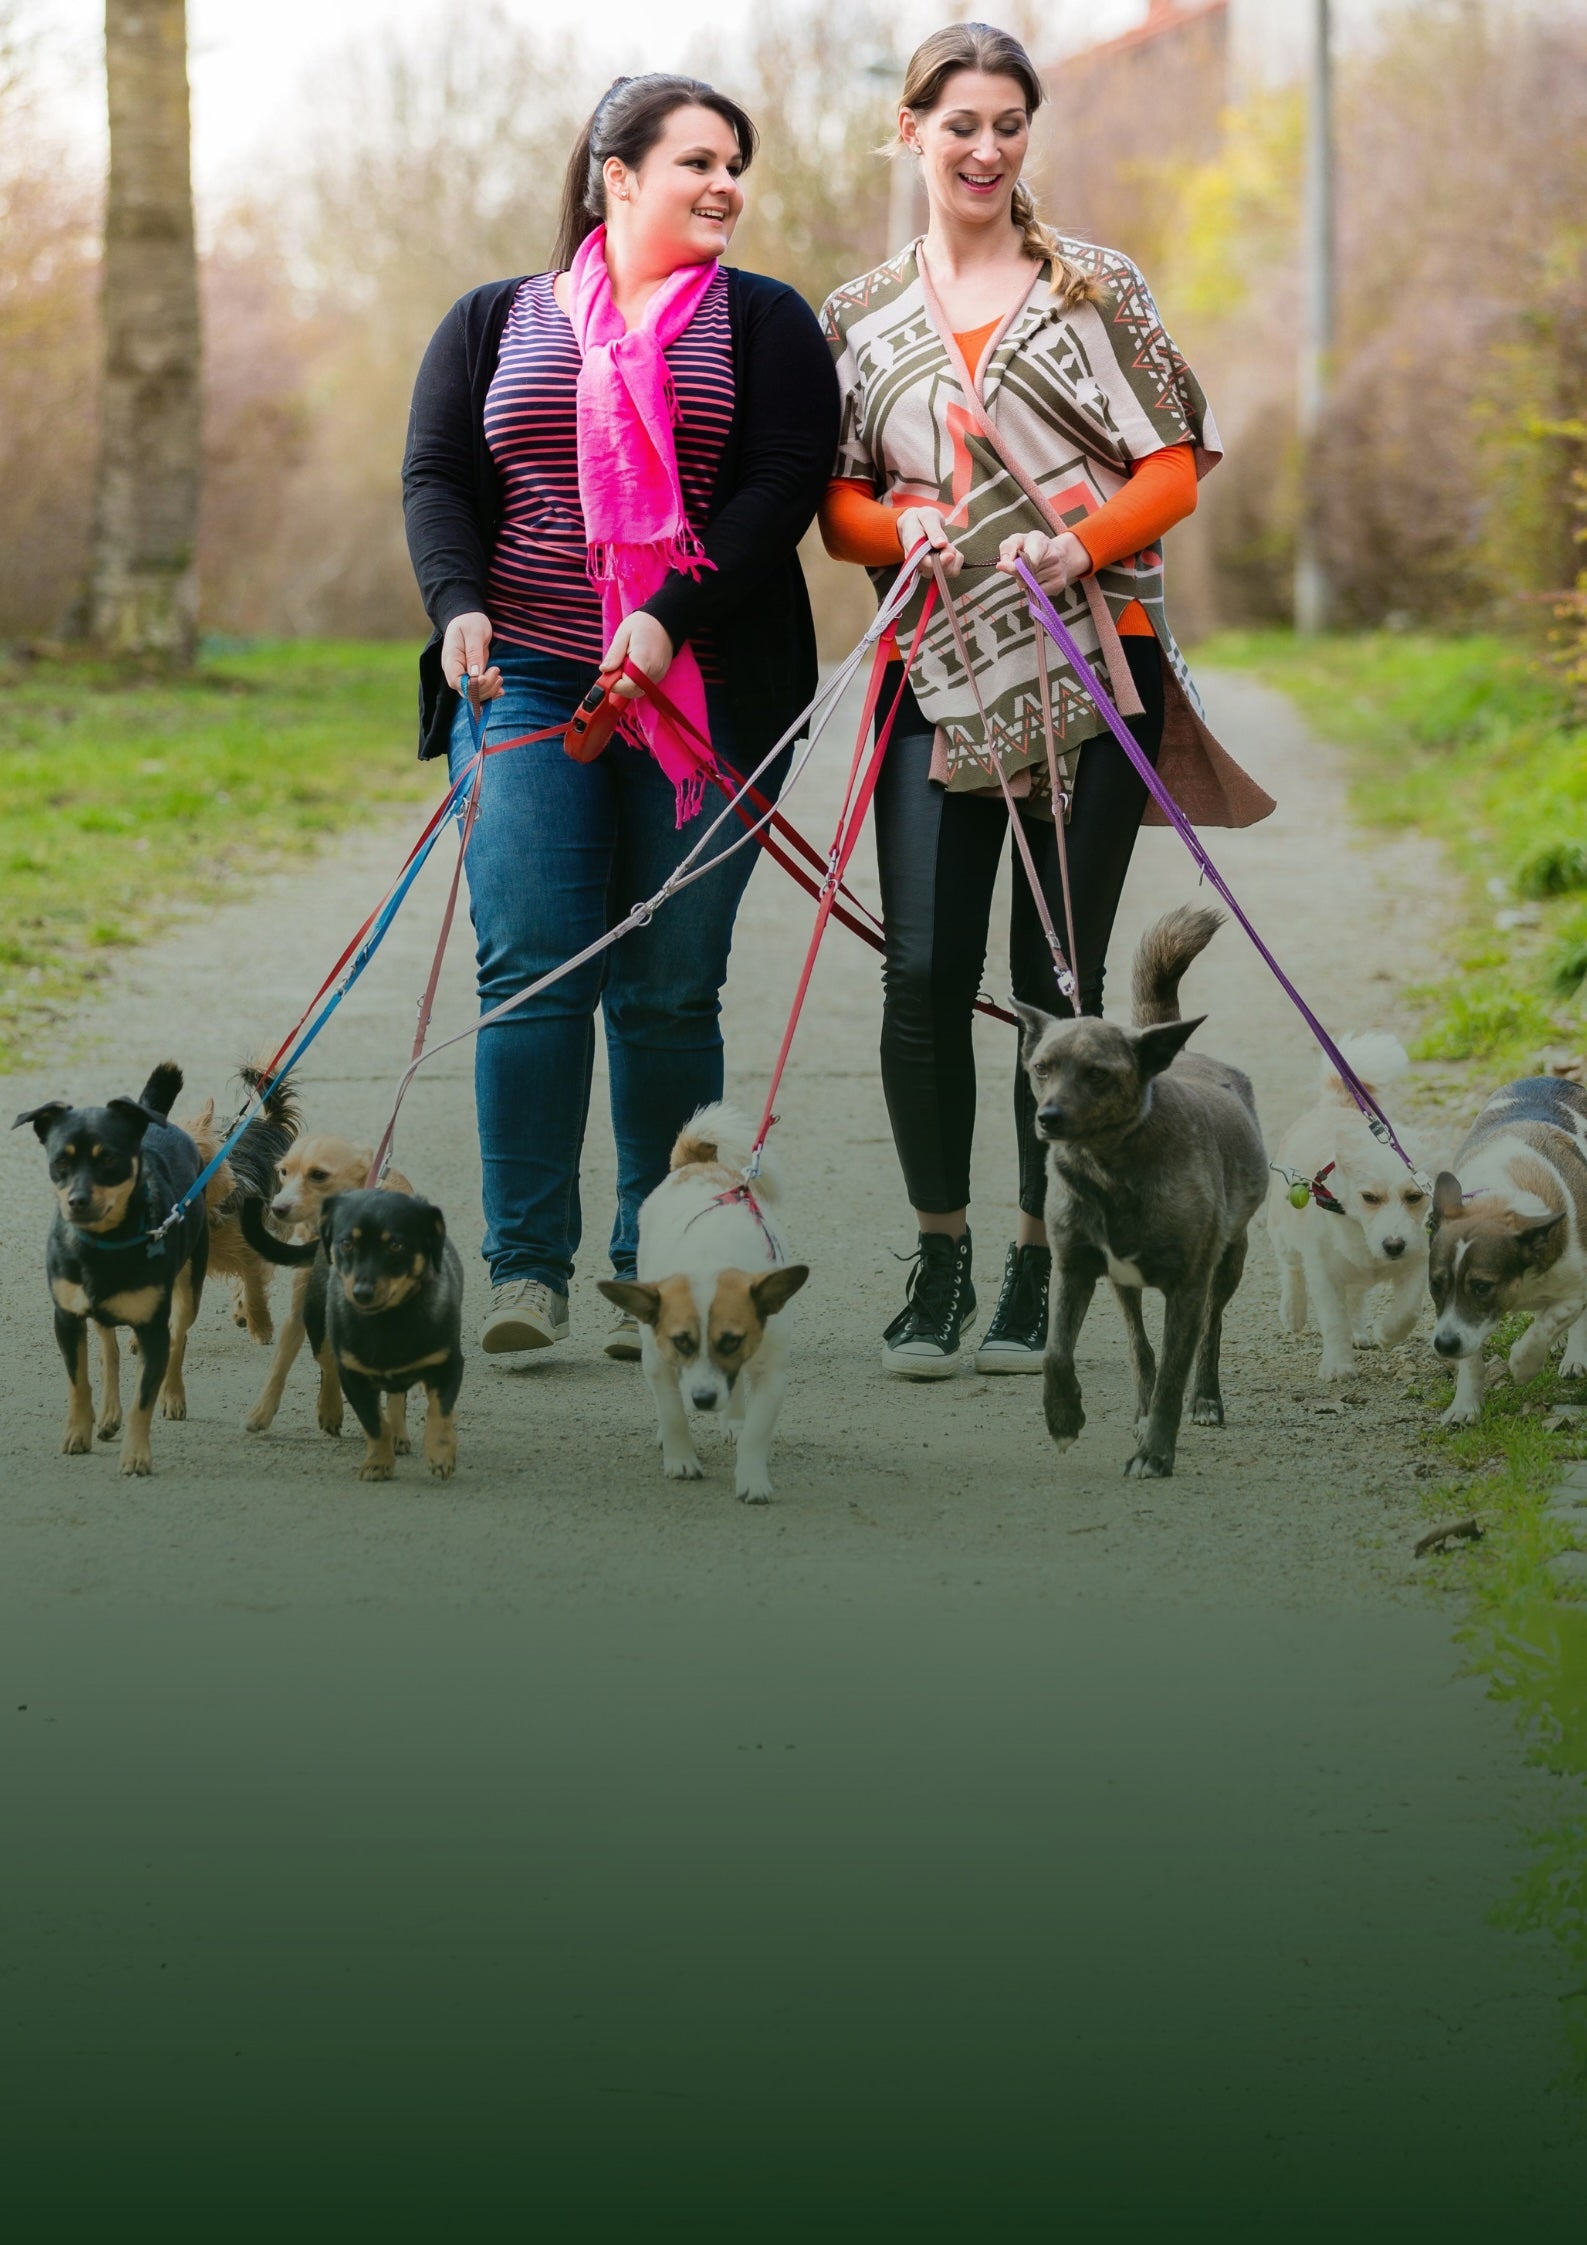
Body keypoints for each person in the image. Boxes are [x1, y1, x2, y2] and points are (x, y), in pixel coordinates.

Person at [819, 20, 1271, 1382]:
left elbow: (1175, 463)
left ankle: (1037, 1258)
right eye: (958, 122)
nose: (985, 146)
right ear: (911, 133)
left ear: (1028, 136)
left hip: (1094, 659)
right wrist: (904, 535)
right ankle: (940, 1258)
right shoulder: (856, 316)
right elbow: (836, 506)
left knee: (1052, 984)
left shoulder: (1097, 285)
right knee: (920, 974)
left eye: (1009, 123)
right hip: (936, 676)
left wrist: (1078, 543)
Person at [402, 74, 839, 1362]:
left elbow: (779, 486)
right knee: (532, 966)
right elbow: (435, 476)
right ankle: (528, 1272)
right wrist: (455, 604)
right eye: (697, 160)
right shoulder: (497, 319)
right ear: (618, 174)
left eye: (735, 165)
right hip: (529, 678)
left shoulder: (764, 323)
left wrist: (665, 615)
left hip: (705, 689)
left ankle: (663, 1271)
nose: (724, 185)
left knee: (664, 991)